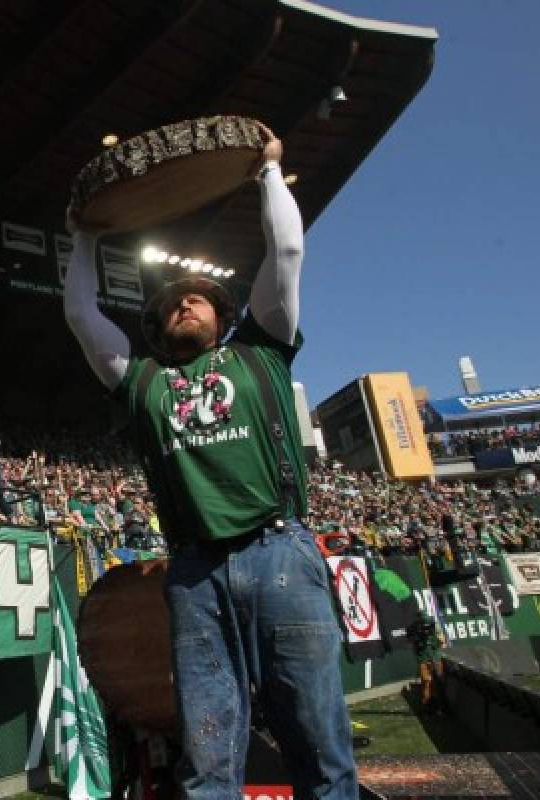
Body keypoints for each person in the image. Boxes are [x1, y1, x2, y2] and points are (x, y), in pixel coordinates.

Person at [64, 123, 355, 797]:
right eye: (169, 305)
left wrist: (269, 172)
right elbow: (82, 315)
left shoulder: (262, 351)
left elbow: (285, 248)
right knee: (208, 756)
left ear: (222, 315)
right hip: (195, 572)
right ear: (159, 330)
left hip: (280, 550)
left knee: (317, 739)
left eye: (195, 297)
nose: (184, 304)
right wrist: (83, 235)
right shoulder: (144, 384)